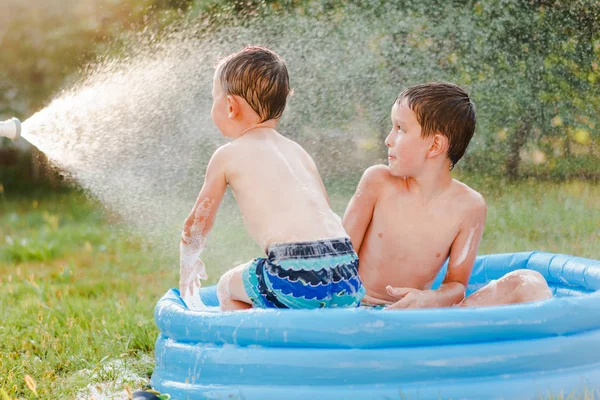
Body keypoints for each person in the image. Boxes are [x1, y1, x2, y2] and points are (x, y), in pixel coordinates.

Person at [180, 46, 364, 311]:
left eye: (214, 98)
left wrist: (189, 266)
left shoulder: (227, 155)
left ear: (230, 106)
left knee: (226, 286)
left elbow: (197, 224)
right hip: (346, 271)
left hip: (295, 273)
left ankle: (258, 347)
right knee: (277, 284)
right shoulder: (298, 152)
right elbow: (323, 210)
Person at [343, 82, 552, 309]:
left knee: (528, 283)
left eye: (400, 128)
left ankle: (551, 335)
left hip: (417, 316)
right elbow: (338, 258)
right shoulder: (378, 183)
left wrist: (429, 299)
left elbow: (456, 284)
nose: (388, 139)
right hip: (358, 309)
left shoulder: (469, 207)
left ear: (434, 146)